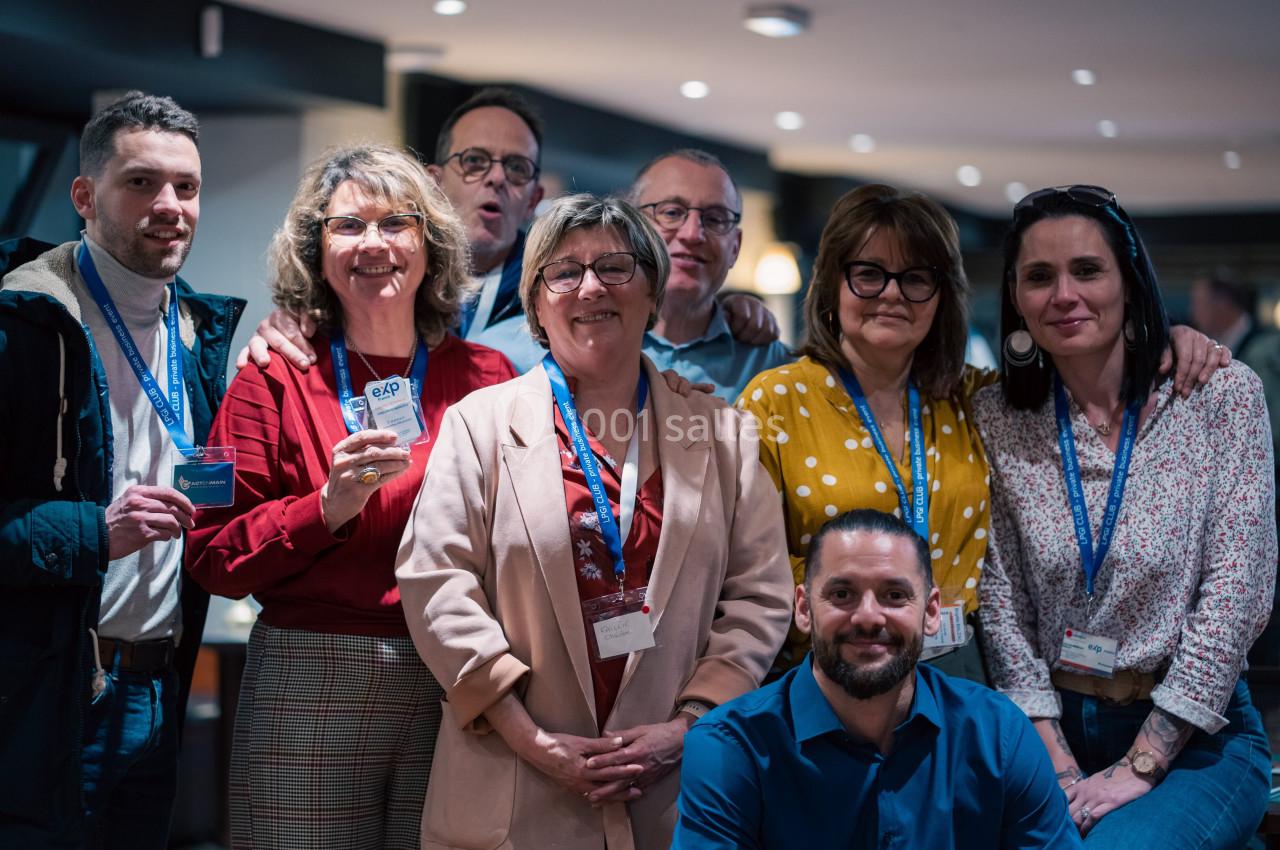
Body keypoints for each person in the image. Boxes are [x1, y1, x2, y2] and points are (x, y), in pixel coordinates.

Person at [395, 193, 793, 850]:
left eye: (614, 266)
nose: (590, 288)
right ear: (537, 302)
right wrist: (528, 736)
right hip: (513, 782)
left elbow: (760, 594)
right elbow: (437, 579)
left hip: (674, 792)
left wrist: (689, 726)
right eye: (564, 271)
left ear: (652, 292)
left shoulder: (723, 434)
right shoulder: (480, 423)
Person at [738, 184, 1229, 679]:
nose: (891, 293)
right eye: (868, 274)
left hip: (960, 671)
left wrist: (1170, 339)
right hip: (833, 668)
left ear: (941, 295)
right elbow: (748, 571)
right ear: (831, 286)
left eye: (915, 278)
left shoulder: (977, 399)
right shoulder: (775, 401)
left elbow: (1089, 369)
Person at [185, 144, 516, 849]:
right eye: (347, 226)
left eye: (396, 222)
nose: (374, 244)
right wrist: (325, 509)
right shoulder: (272, 375)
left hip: (458, 676)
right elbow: (211, 554)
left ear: (431, 243)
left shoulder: (489, 376)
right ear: (316, 249)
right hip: (311, 679)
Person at [975, 184, 1275, 848]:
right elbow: (1001, 602)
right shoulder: (997, 417)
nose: (1064, 294)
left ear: (1129, 281)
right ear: (1017, 299)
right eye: (1039, 276)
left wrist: (1143, 762)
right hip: (1046, 728)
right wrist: (1053, 760)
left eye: (1087, 269)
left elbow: (1236, 596)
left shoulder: (1219, 395)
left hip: (1198, 736)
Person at [0, 92, 244, 849]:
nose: (169, 206)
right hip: (43, 696)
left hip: (160, 686)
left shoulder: (200, 333)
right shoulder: (24, 324)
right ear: (85, 196)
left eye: (186, 187)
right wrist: (90, 532)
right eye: (141, 182)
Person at [241, 95, 783, 385]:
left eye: (516, 168)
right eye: (474, 162)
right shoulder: (381, 278)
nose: (495, 178)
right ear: (434, 180)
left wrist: (729, 308)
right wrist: (292, 319)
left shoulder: (564, 291)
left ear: (533, 195)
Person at [673, 508, 1082, 850]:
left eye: (894, 595)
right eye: (841, 594)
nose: (868, 616)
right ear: (802, 608)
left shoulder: (998, 733)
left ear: (931, 610)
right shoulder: (730, 747)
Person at [630, 149, 792, 399]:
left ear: (735, 247)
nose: (693, 234)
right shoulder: (590, 341)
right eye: (671, 212)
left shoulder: (777, 368)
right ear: (630, 228)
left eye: (715, 219)